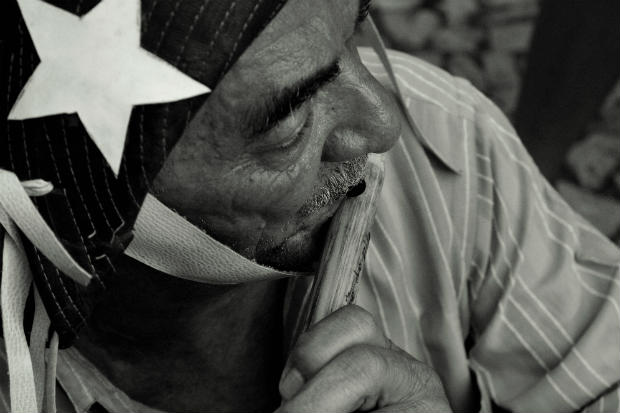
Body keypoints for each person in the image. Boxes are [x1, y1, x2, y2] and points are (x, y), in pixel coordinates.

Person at [0, 0, 618, 412]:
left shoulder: (448, 147)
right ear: (88, 203)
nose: (381, 126)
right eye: (290, 122)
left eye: (352, 31)